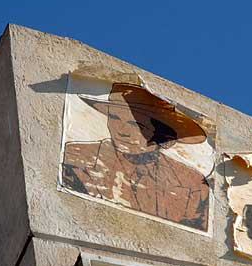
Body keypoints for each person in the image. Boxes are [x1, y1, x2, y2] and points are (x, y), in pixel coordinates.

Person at [62, 83, 211, 232]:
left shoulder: (194, 184)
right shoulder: (74, 157)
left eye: (135, 124)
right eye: (114, 117)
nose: (121, 130)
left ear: (161, 133)